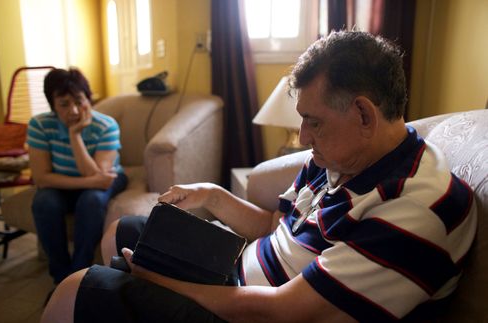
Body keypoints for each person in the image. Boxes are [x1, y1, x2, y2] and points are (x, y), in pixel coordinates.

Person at [42, 31, 477, 322]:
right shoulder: (346, 157)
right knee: (122, 232)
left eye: (313, 121)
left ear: (363, 113)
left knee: (74, 291)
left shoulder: (413, 207)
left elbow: (280, 312)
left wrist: (157, 280)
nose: (304, 136)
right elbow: (275, 226)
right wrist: (212, 196)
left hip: (256, 311)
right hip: (241, 268)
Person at [27, 68, 128, 287]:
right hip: (66, 182)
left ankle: (79, 277)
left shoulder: (106, 125)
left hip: (107, 178)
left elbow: (95, 174)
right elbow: (42, 179)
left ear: (88, 99)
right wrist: (90, 182)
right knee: (44, 202)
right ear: (53, 106)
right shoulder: (40, 125)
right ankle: (61, 279)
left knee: (91, 200)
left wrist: (75, 136)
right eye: (64, 104)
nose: (73, 110)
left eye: (79, 101)